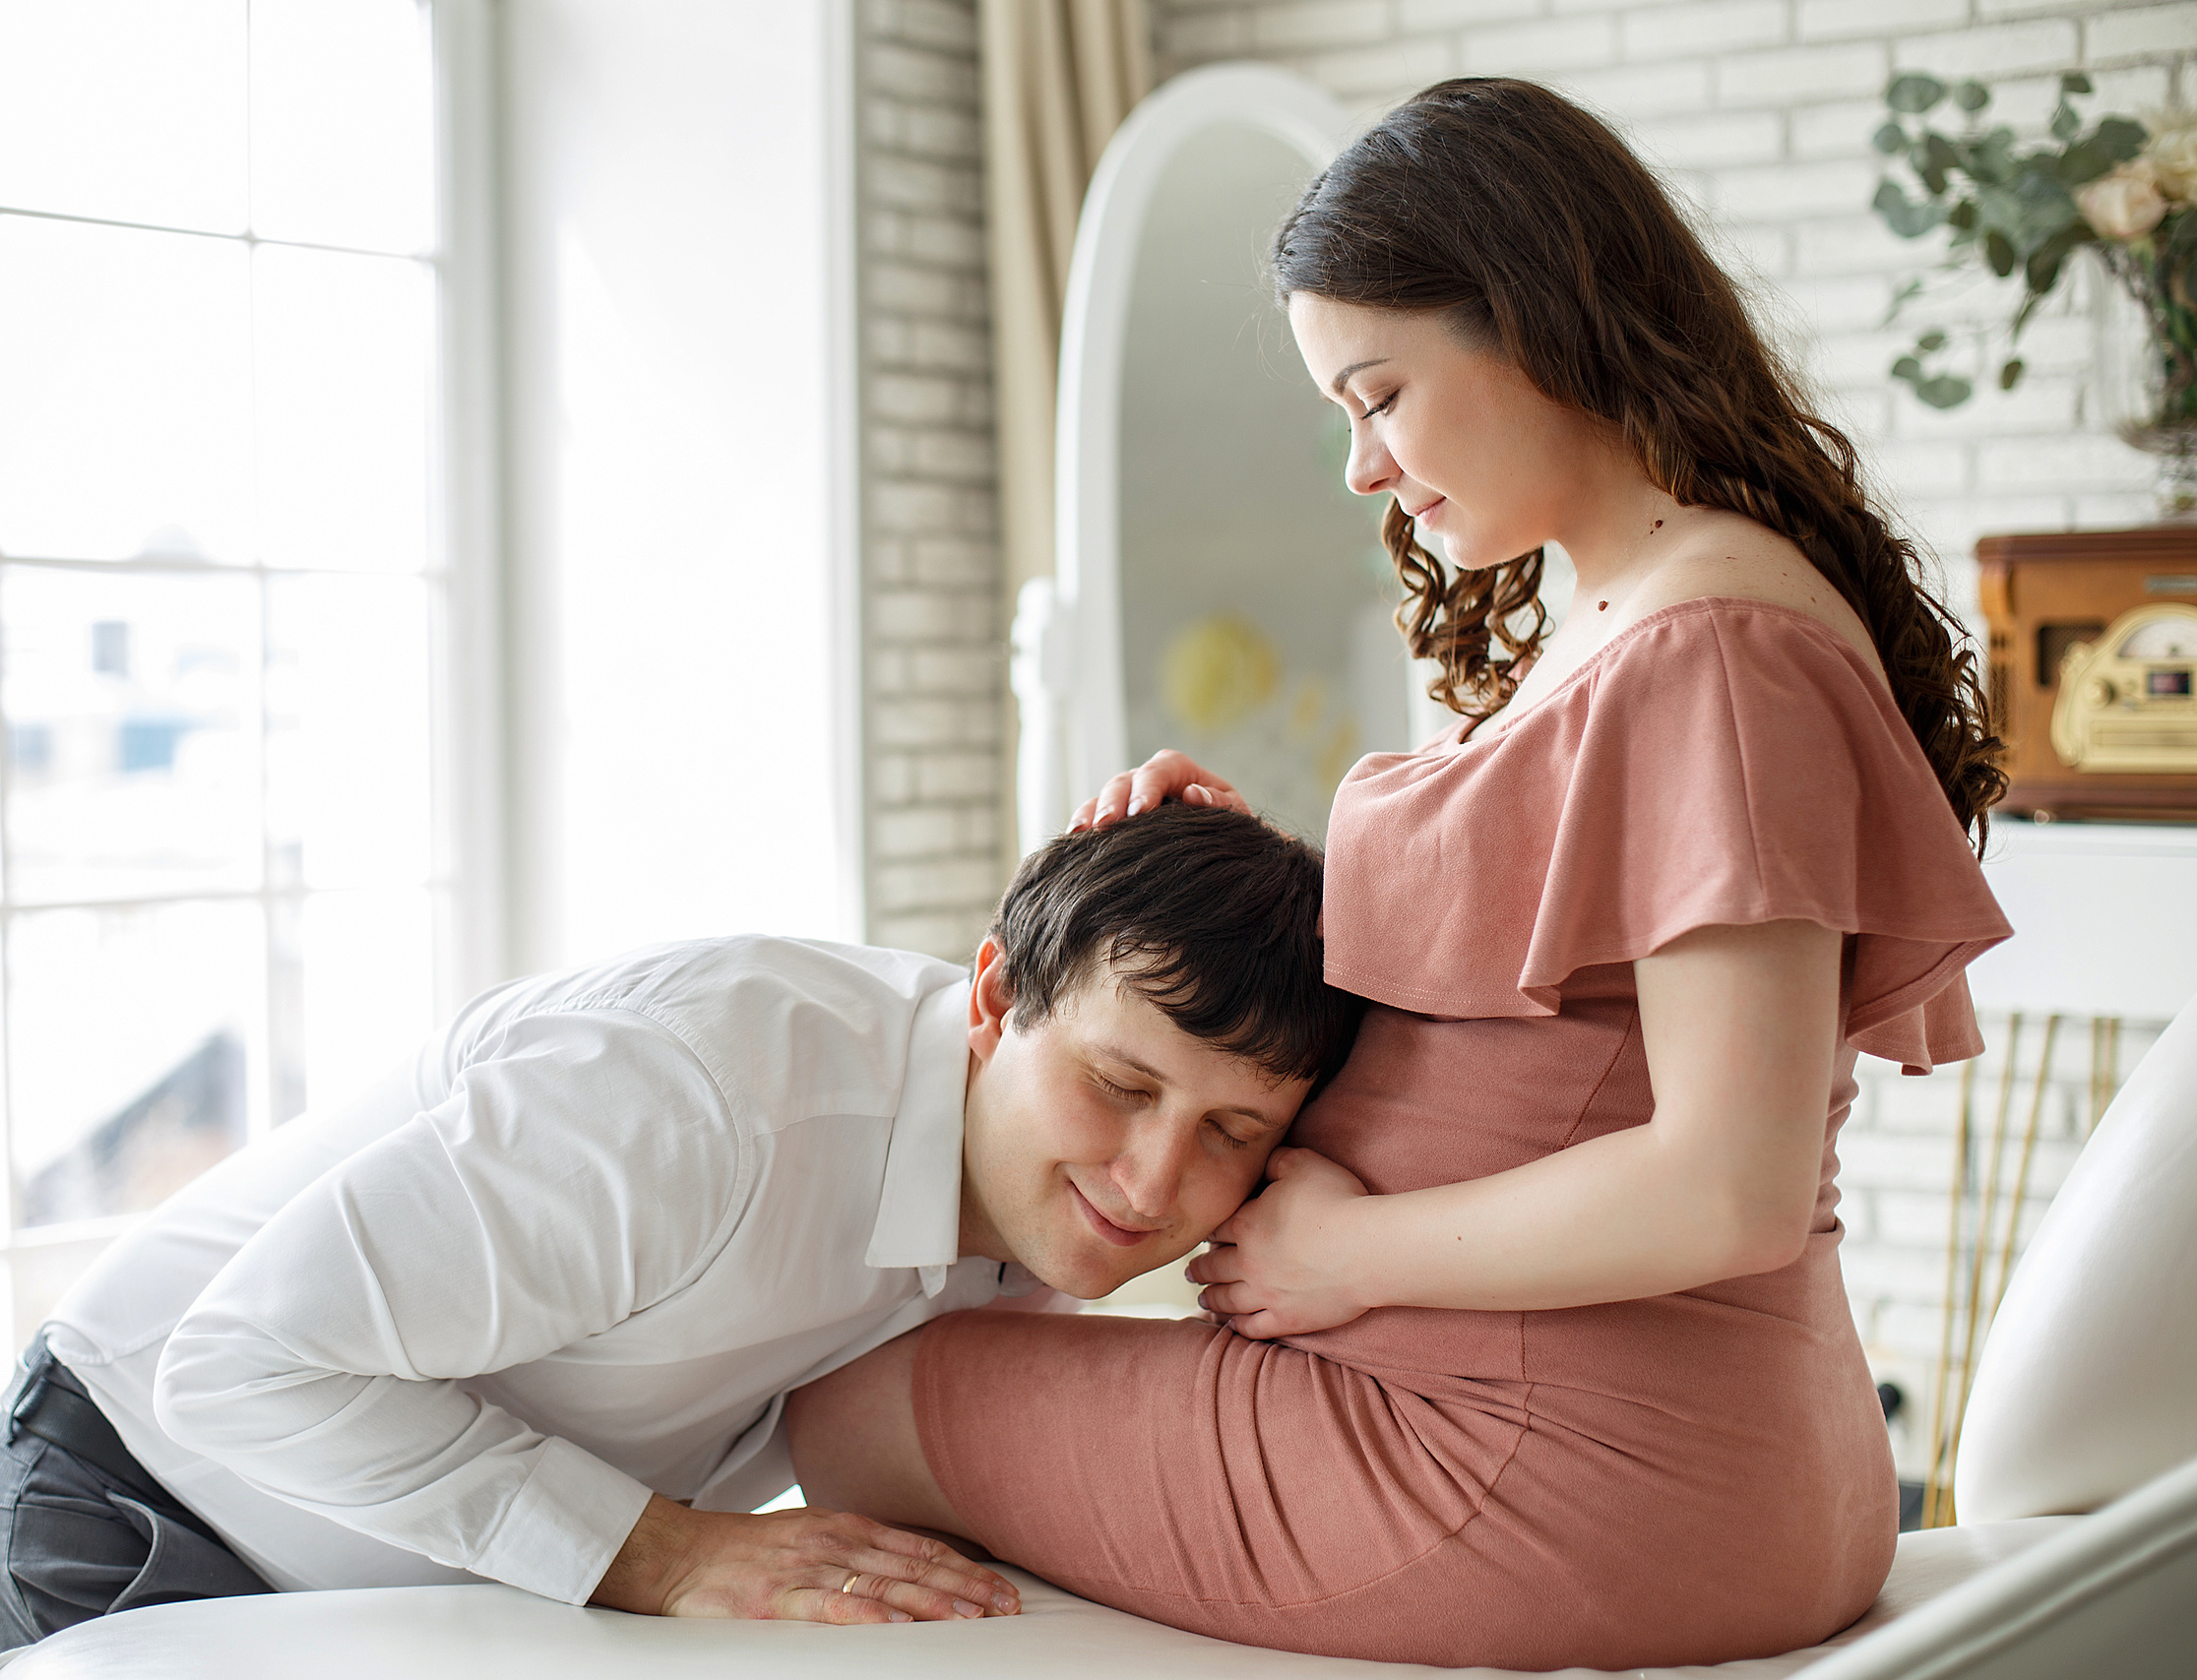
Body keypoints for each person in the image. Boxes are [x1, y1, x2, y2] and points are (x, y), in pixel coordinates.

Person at [784, 78, 2015, 1671]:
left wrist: (1337, 1257)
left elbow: (1732, 1179)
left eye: (1380, 395)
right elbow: (1556, 1006)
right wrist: (1237, 860)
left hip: (1556, 1473)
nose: (1364, 468)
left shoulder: (1713, 648)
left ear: (1537, 319)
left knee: (863, 1404)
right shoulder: (1634, 604)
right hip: (1623, 1454)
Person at [0, 804, 1358, 1660]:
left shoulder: (1030, 1195)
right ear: (992, 999)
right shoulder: (698, 1103)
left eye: (1233, 1135)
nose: (1155, 1178)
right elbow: (243, 1365)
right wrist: (666, 1554)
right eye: (1119, 1088)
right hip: (135, 1508)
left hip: (440, 1588)